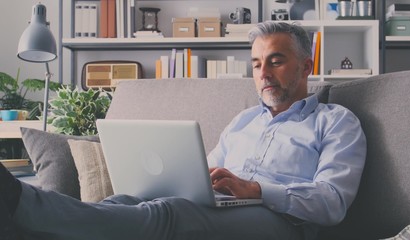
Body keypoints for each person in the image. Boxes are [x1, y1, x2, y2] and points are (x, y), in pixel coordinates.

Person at [0, 21, 366, 240]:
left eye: (276, 61)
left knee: (171, 213)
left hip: (283, 223)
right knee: (125, 202)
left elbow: (332, 202)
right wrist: (195, 179)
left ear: (306, 66)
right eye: (256, 64)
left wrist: (255, 190)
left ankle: (21, 203)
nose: (264, 73)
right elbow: (202, 173)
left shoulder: (336, 122)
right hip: (225, 208)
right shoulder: (244, 122)